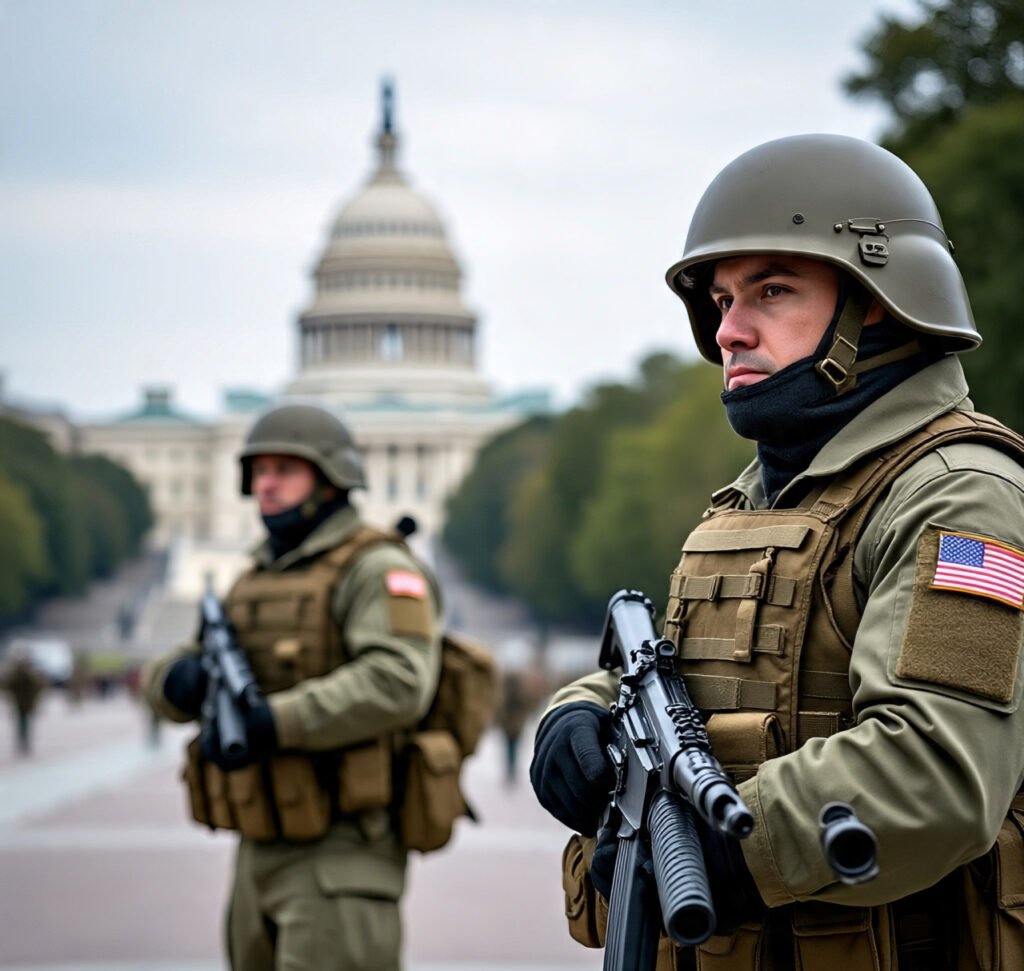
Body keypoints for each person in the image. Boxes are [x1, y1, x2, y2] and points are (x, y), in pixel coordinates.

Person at [529, 133, 1024, 970]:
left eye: (772, 291)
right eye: (721, 301)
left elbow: (936, 768)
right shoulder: (759, 496)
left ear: (878, 301)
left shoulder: (958, 491)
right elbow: (680, 678)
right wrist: (576, 712)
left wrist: (729, 845)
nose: (730, 330)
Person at [142, 403, 442, 971]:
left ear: (330, 479)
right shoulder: (257, 576)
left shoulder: (377, 569)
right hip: (258, 842)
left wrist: (273, 722)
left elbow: (398, 679)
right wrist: (177, 682)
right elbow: (183, 664)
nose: (268, 485)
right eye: (260, 471)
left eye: (286, 469)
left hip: (342, 847)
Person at [1, 645, 48, 756]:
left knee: (24, 723)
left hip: (26, 702)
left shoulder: (29, 672)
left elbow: (39, 686)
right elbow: (7, 685)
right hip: (20, 702)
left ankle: (24, 743)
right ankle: (23, 743)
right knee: (22, 723)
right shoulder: (18, 672)